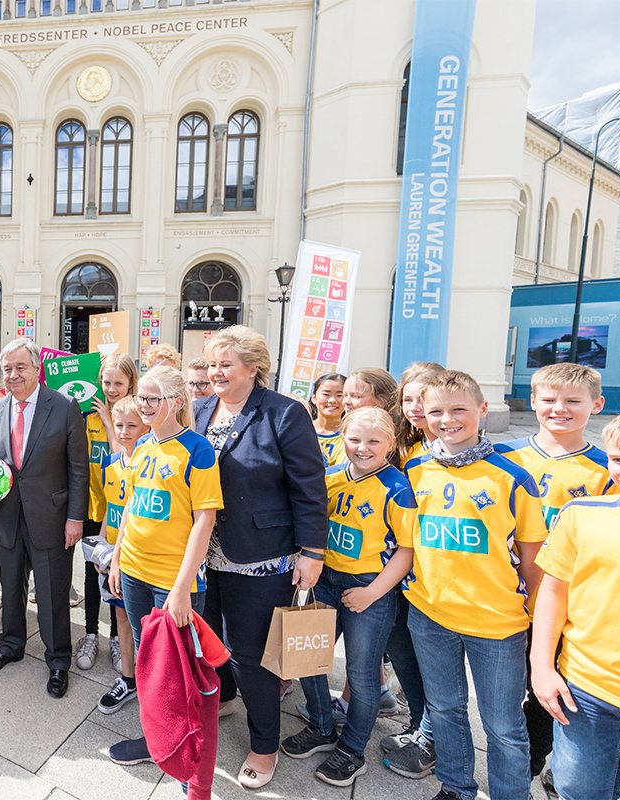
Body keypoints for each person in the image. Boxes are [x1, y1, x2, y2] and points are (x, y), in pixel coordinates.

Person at [190, 325, 327, 789]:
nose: (216, 373)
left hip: (261, 558)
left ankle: (264, 746)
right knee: (209, 643)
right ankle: (225, 696)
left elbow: (309, 488)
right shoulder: (201, 409)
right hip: (205, 557)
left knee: (254, 656)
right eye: (212, 364)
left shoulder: (285, 414)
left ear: (254, 368)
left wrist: (312, 551)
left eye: (225, 364)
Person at [402, 369, 546, 800]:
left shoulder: (511, 475)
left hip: (497, 624)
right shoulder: (414, 469)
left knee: (503, 725)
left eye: (459, 409)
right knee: (445, 710)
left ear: (482, 411)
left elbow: (534, 561)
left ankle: (510, 793)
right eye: (436, 412)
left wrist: (536, 622)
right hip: (429, 615)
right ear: (422, 417)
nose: (448, 419)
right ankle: (457, 785)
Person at [280, 408, 416, 787]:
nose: (362, 447)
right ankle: (322, 727)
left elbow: (405, 551)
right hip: (324, 581)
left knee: (361, 673)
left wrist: (373, 593)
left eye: (373, 441)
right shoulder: (331, 478)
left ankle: (352, 749)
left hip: (368, 588)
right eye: (354, 439)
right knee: (307, 658)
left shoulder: (398, 488)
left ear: (390, 444)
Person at [493, 362, 615, 782]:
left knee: (548, 691)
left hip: (563, 606)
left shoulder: (608, 469)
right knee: (502, 693)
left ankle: (535, 766)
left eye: (572, 401)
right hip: (501, 596)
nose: (559, 408)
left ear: (596, 405)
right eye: (548, 399)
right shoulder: (504, 455)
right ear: (532, 402)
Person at [107, 366, 222, 800]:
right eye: (143, 398)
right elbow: (133, 508)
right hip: (134, 571)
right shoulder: (141, 448)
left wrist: (181, 587)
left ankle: (191, 766)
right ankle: (158, 742)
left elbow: (204, 520)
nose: (146, 406)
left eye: (154, 399)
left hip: (173, 581)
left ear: (176, 401)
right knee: (151, 668)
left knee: (184, 675)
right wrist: (117, 558)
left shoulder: (197, 449)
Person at [0, 338, 88, 698]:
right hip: (9, 515)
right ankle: (10, 645)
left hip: (52, 518)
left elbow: (78, 469)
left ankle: (58, 660)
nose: (12, 374)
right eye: (7, 368)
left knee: (54, 592)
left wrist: (75, 519)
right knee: (10, 587)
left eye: (20, 367)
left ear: (37, 368)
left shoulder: (65, 406)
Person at [530, 413, 620, 800]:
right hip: (589, 688)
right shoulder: (582, 515)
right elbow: (554, 592)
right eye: (619, 459)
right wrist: (541, 666)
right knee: (580, 789)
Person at [381, 360, 446, 779]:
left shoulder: (453, 451)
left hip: (437, 577)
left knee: (435, 668)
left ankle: (432, 736)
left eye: (426, 399)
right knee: (404, 655)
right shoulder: (405, 449)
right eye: (409, 399)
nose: (417, 407)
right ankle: (421, 727)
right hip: (399, 572)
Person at [78, 353, 138, 672]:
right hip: (92, 506)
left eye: (118, 383)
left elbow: (122, 456)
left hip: (120, 512)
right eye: (106, 382)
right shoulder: (87, 412)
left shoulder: (135, 416)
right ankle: (90, 633)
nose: (111, 389)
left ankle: (117, 637)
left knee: (119, 577)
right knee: (93, 570)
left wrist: (108, 421)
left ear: (131, 383)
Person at [95, 397, 148, 715]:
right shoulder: (112, 463)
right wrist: (101, 545)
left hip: (141, 556)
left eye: (133, 426)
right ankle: (128, 678)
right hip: (114, 556)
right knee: (121, 617)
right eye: (120, 426)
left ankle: (151, 683)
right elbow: (108, 509)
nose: (125, 432)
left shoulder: (151, 463)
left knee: (148, 624)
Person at [310, 372, 347, 466]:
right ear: (314, 398)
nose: (332, 400)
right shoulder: (301, 431)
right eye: (326, 394)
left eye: (339, 395)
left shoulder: (353, 434)